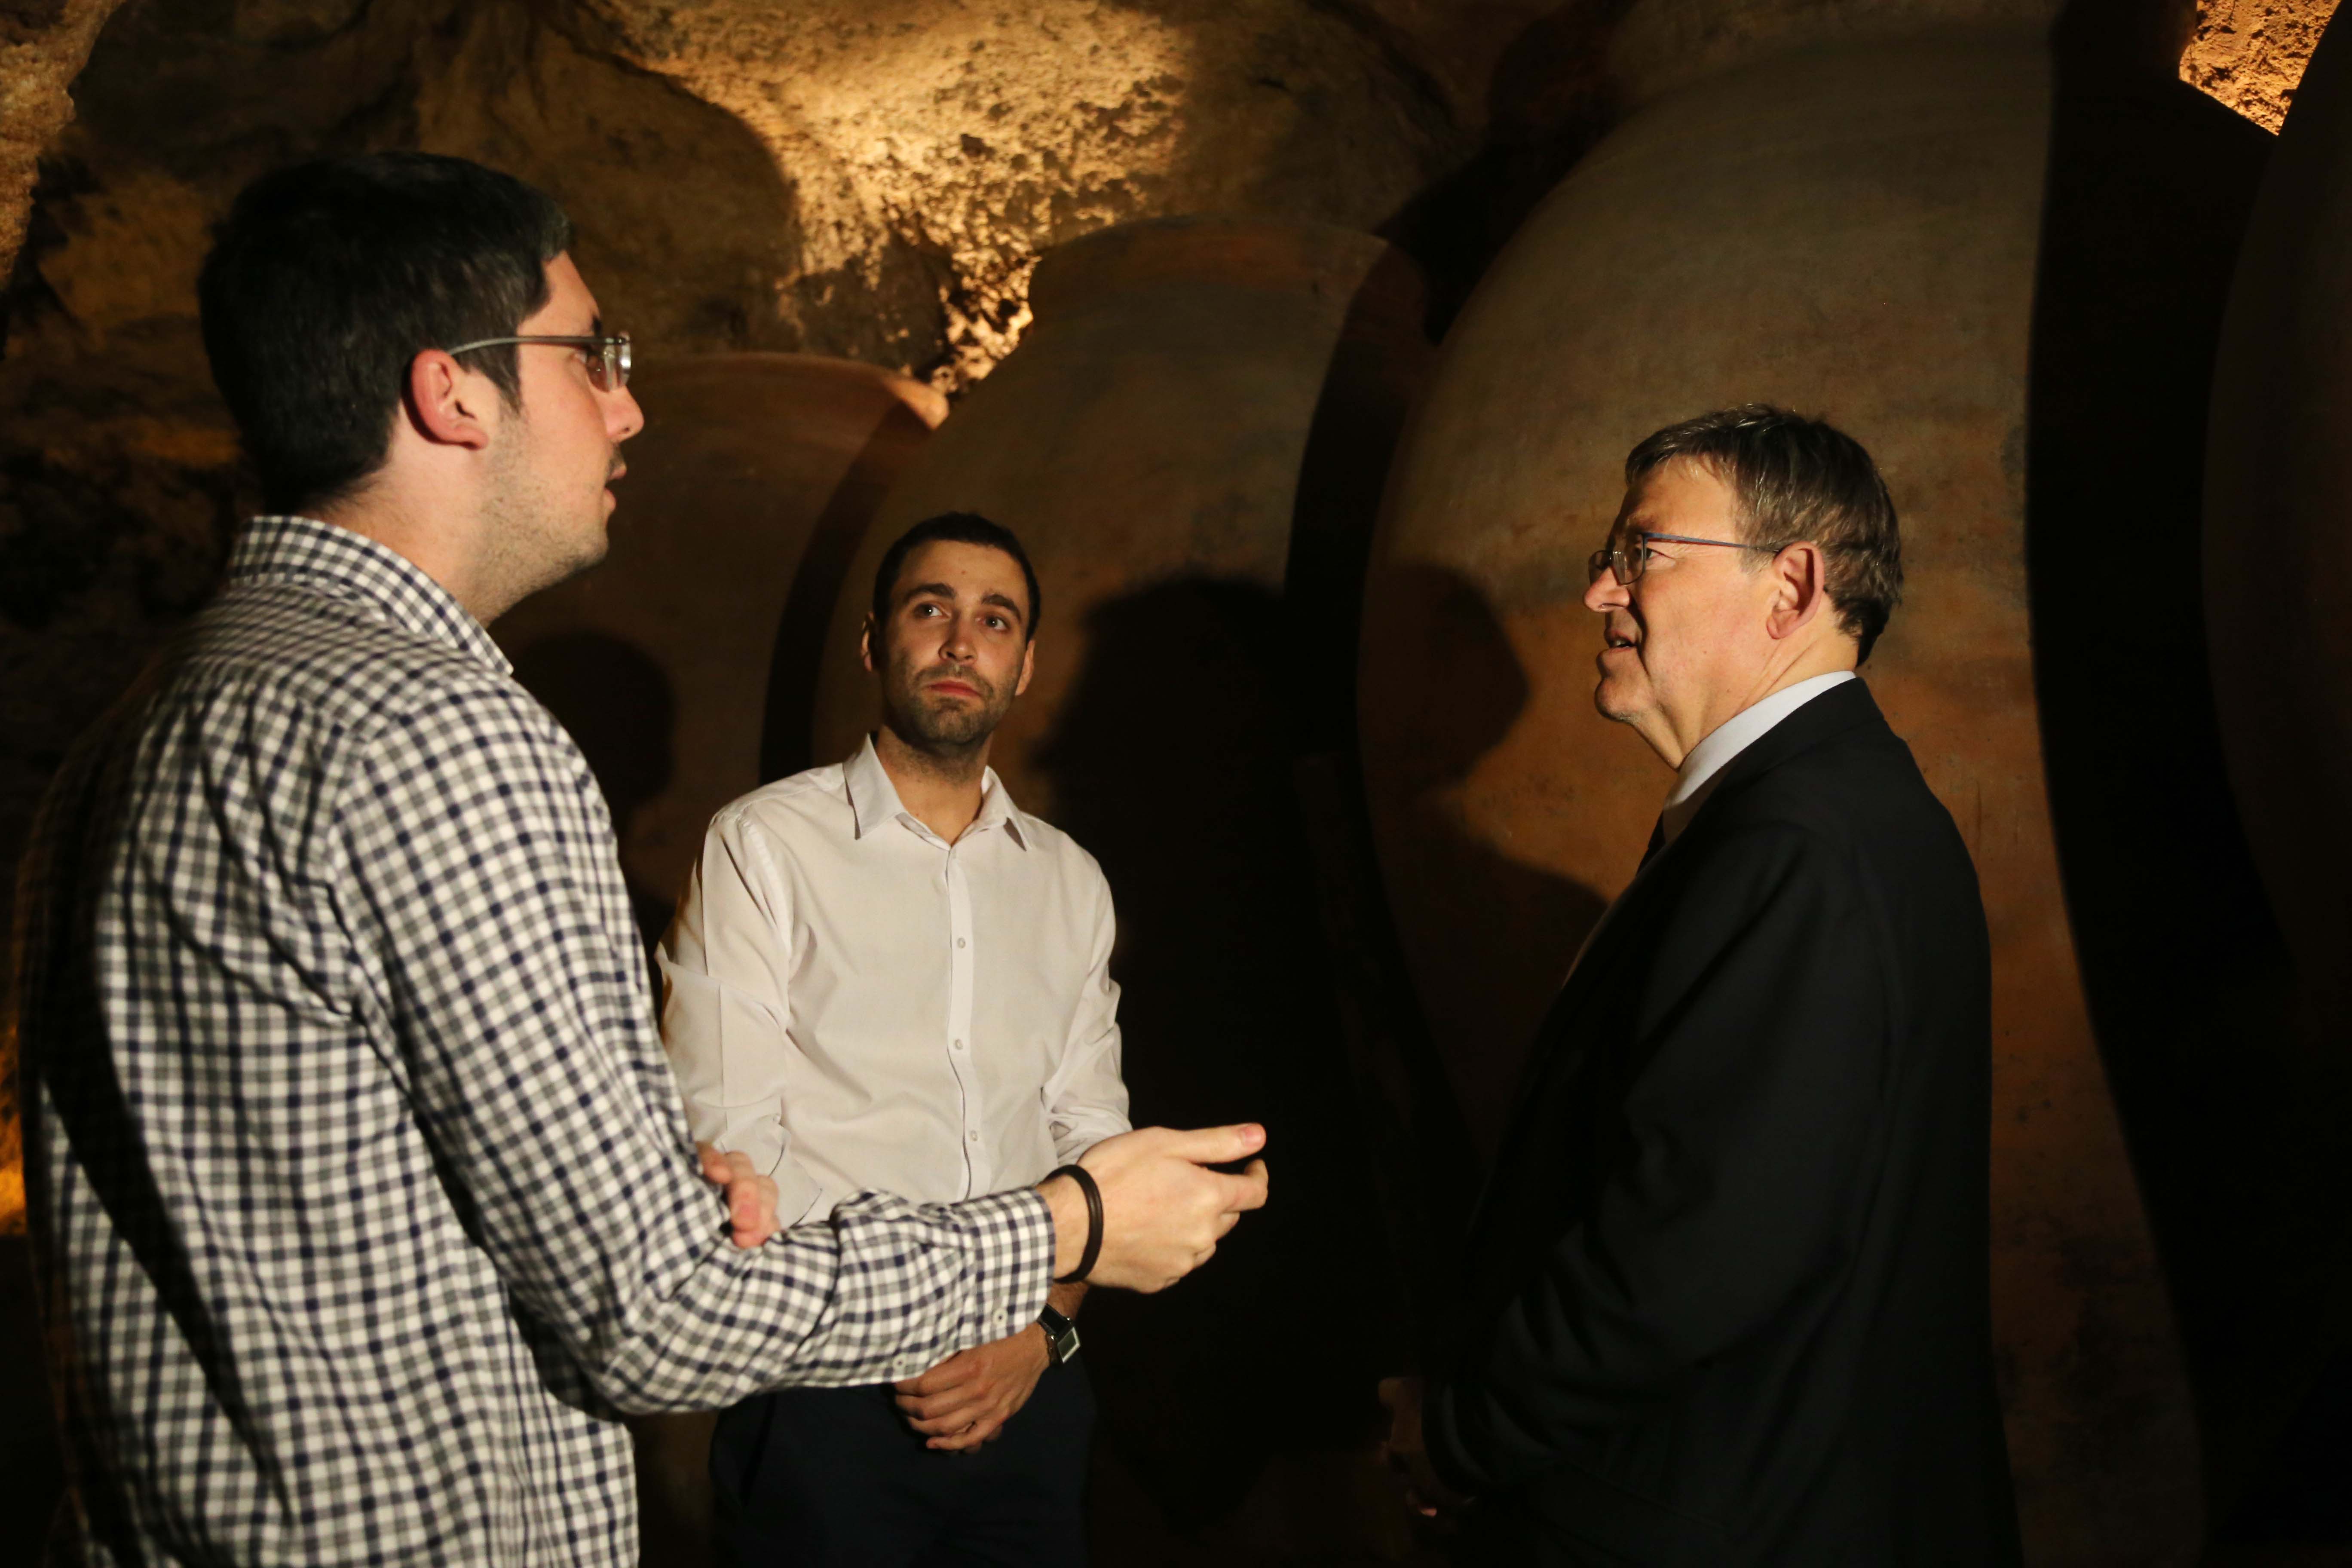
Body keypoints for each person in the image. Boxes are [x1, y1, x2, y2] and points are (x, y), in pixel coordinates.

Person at [7, 151, 1268, 1568]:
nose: (629, 402)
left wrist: (659, 1190)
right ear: (452, 392)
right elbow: (652, 1313)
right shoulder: (443, 735)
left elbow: (311, 1191)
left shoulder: (145, 718)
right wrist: (1073, 1222)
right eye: (590, 355)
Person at [1380, 406, 2020, 1563]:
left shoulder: (1800, 845)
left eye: (1643, 554)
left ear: (1790, 590)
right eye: (1607, 560)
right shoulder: (1812, 818)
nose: (1600, 594)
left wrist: (1462, 1436)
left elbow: (1688, 1255)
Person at [660, 511, 1121, 1566]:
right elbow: (730, 1150)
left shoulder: (1069, 880)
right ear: (875, 643)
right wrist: (899, 1327)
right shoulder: (764, 845)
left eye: (995, 621)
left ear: (1026, 663)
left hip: (1030, 1390)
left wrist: (1038, 1334)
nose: (963, 644)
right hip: (831, 1406)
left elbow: (1091, 1141)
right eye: (932, 610)